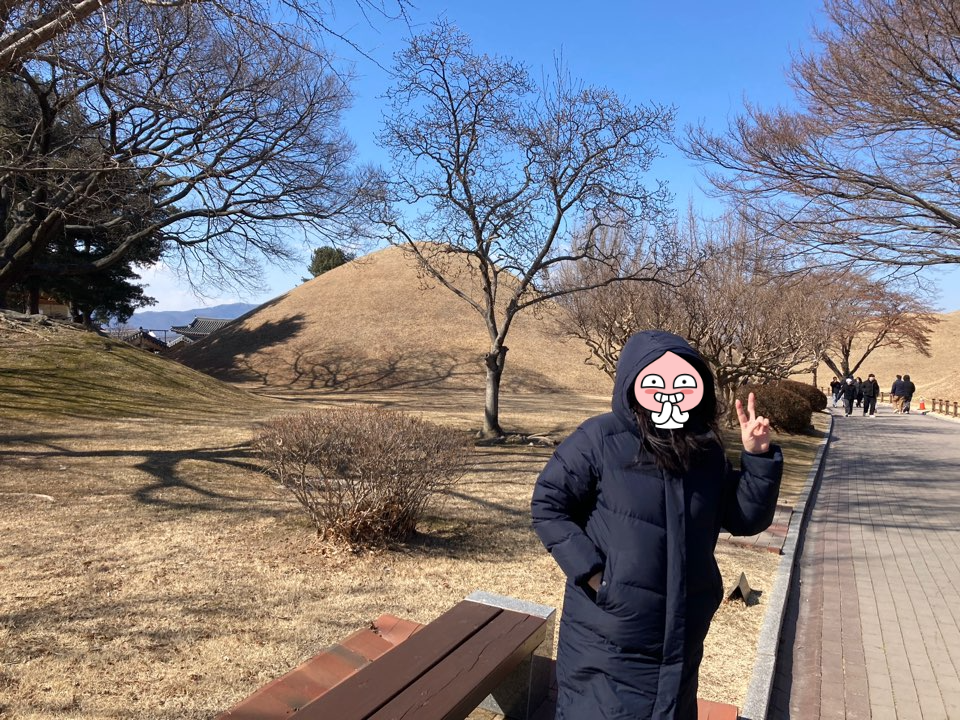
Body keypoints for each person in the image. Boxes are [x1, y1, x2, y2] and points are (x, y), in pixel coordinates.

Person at [531, 330, 783, 720]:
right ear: (632, 383)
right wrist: (597, 576)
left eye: (683, 381)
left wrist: (758, 459)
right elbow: (548, 505)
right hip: (608, 634)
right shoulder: (599, 438)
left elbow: (744, 518)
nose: (670, 392)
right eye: (656, 381)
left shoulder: (704, 449)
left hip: (681, 633)